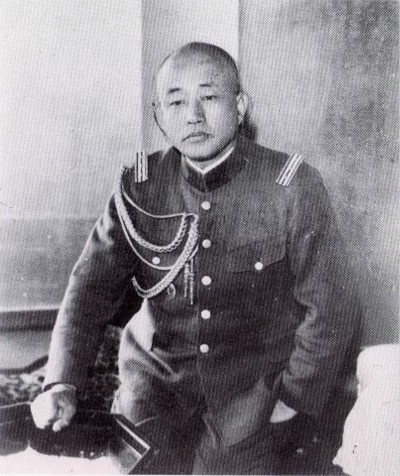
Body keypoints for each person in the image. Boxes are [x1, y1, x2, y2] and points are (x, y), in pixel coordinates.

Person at [31, 42, 360, 474]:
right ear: (159, 115)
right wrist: (60, 381)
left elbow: (333, 306)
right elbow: (88, 291)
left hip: (252, 394)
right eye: (176, 102)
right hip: (154, 387)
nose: (193, 116)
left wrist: (293, 397)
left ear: (240, 107)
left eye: (209, 97)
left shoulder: (291, 187)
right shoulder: (139, 186)